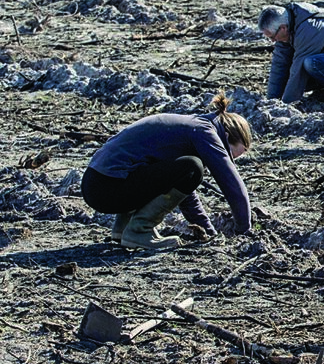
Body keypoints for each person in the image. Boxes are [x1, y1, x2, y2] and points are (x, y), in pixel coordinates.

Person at [81, 93, 253, 250]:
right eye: (229, 154)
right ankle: (139, 231)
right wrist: (244, 231)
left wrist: (207, 232)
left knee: (189, 168)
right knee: (193, 166)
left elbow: (184, 190)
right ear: (227, 136)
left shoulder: (191, 126)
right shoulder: (204, 131)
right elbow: (232, 185)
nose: (228, 160)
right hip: (106, 187)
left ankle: (124, 227)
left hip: (96, 184)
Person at [259, 3, 324, 106]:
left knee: (311, 63)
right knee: (289, 72)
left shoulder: (309, 28)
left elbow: (298, 72)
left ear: (283, 28)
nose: (272, 41)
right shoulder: (288, 27)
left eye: (272, 37)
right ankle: (323, 92)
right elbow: (279, 66)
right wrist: (271, 102)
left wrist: (286, 106)